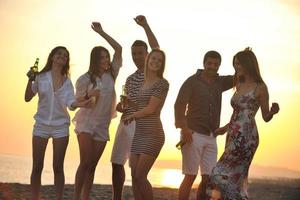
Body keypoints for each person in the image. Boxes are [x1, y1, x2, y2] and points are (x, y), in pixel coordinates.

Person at [208, 48, 279, 199]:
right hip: (232, 135)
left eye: (239, 64)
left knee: (223, 175)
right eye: (235, 65)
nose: (236, 68)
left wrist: (272, 112)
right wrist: (224, 129)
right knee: (222, 176)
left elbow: (265, 117)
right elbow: (237, 113)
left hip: (246, 138)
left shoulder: (260, 87)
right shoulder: (239, 84)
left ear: (248, 65)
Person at [24, 46, 91, 200]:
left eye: (65, 56)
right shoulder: (40, 76)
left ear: (66, 61)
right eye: (59, 54)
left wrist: (81, 104)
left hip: (61, 126)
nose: (62, 56)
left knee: (58, 167)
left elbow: (70, 103)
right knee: (37, 166)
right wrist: (30, 79)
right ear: (52, 57)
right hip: (41, 124)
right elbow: (27, 97)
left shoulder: (67, 82)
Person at [110, 15, 159, 200]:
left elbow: (157, 48)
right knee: (116, 163)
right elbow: (125, 105)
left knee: (136, 172)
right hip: (125, 123)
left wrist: (145, 26)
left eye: (140, 53)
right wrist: (121, 106)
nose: (137, 56)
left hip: (141, 125)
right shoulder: (130, 78)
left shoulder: (152, 73)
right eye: (134, 54)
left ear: (147, 55)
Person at [174, 51, 234, 200]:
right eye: (209, 63)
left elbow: (239, 76)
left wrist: (245, 57)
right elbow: (179, 105)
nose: (212, 67)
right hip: (192, 134)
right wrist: (184, 129)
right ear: (204, 63)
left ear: (219, 65)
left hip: (211, 136)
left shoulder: (220, 82)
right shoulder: (192, 81)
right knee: (190, 176)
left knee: (208, 179)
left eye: (215, 64)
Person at [72, 22, 122, 200]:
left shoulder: (112, 75)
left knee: (92, 165)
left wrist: (102, 32)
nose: (106, 60)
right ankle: (76, 197)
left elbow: (118, 48)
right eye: (101, 58)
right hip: (85, 122)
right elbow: (77, 102)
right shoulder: (84, 79)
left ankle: (85, 197)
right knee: (85, 162)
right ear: (94, 59)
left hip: (102, 125)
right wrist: (88, 94)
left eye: (106, 57)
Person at [122, 49, 169, 200]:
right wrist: (130, 104)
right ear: (148, 60)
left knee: (141, 176)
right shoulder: (143, 83)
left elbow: (151, 109)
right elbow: (142, 108)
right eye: (153, 58)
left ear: (162, 65)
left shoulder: (162, 84)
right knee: (134, 176)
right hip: (139, 133)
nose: (155, 62)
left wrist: (132, 115)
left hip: (153, 135)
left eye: (159, 60)